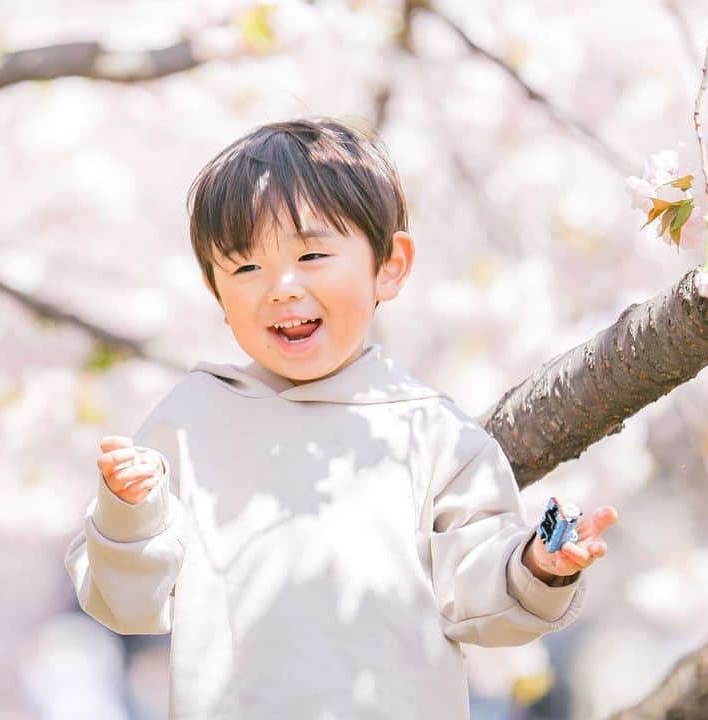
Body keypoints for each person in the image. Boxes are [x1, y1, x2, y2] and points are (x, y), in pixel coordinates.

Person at [64, 117, 619, 719]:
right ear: (216, 290)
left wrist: (539, 565)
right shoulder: (192, 422)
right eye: (246, 268)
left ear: (391, 264)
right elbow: (127, 604)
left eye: (313, 254)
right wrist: (129, 511)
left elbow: (475, 593)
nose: (280, 287)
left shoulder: (432, 432)